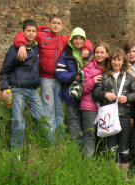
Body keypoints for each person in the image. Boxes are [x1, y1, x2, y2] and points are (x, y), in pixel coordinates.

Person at [13, 14, 92, 142]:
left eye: (58, 23)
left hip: (59, 79)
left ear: (62, 26)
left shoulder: (63, 39)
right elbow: (21, 35)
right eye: (53, 22)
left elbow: (84, 40)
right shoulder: (41, 35)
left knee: (59, 108)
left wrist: (87, 48)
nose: (56, 25)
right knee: (48, 108)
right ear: (49, 24)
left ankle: (59, 138)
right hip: (46, 78)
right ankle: (50, 140)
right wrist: (22, 45)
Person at [0, 19, 47, 149]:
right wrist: (4, 88)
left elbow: (47, 30)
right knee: (18, 121)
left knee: (41, 118)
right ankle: (16, 151)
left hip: (33, 90)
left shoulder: (37, 47)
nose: (31, 33)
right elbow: (4, 71)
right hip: (17, 90)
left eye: (33, 31)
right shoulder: (15, 49)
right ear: (23, 33)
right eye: (28, 31)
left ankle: (39, 145)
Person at [93, 48, 135, 171]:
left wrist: (128, 97)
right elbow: (95, 93)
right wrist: (105, 95)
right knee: (111, 145)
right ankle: (113, 171)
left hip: (124, 115)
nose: (116, 63)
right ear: (110, 60)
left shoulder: (129, 78)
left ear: (123, 61)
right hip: (109, 117)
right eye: (114, 59)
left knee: (124, 145)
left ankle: (123, 173)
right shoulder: (104, 77)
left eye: (119, 60)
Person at [55, 27, 91, 148]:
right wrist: (73, 76)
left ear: (84, 40)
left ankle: (88, 148)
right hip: (71, 93)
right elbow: (59, 73)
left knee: (87, 121)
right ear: (71, 39)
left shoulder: (89, 54)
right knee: (74, 120)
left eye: (81, 39)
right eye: (75, 38)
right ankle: (78, 148)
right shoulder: (66, 55)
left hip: (87, 95)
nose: (78, 41)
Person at [80, 42, 110, 158]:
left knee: (103, 135)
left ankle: (100, 163)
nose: (99, 55)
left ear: (107, 54)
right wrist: (92, 81)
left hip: (105, 107)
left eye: (102, 52)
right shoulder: (87, 67)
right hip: (89, 107)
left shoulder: (110, 68)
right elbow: (80, 90)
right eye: (97, 52)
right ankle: (88, 163)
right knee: (90, 134)